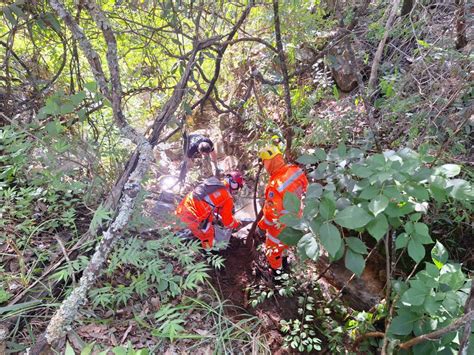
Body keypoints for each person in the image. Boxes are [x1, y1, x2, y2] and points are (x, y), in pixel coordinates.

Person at [257, 145, 308, 270]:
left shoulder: (274, 186)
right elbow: (306, 189)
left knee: (273, 251)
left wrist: (261, 226)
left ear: (269, 163)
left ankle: (277, 274)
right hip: (297, 219)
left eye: (265, 163)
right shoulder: (295, 170)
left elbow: (271, 214)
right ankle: (285, 264)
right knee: (285, 246)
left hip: (280, 226)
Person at [175, 171, 244, 248]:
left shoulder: (213, 183)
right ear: (234, 184)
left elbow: (211, 202)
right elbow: (227, 222)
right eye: (237, 187)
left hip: (183, 207)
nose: (236, 190)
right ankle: (208, 253)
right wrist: (237, 224)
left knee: (178, 229)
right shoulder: (228, 198)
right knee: (207, 234)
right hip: (195, 214)